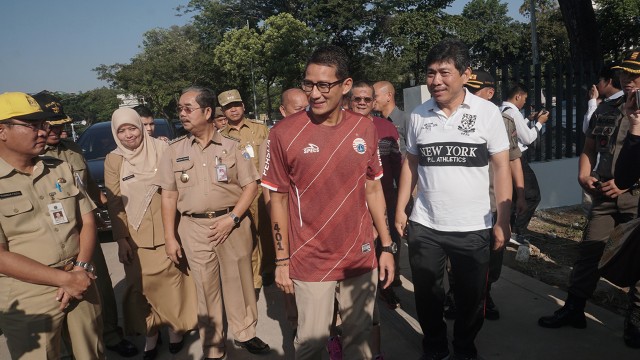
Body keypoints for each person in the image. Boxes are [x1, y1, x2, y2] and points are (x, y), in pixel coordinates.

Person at [262, 45, 395, 359]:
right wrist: (282, 261)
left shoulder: (365, 128)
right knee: (310, 342)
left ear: (345, 85)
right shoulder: (283, 134)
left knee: (360, 338)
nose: (315, 94)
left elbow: (373, 190)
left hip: (359, 257)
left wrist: (386, 246)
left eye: (324, 85)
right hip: (310, 259)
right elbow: (277, 200)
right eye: (309, 84)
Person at [395, 39, 511, 360]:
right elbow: (411, 164)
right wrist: (401, 208)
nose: (436, 81)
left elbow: (502, 167)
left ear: (465, 74)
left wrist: (503, 218)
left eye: (444, 73)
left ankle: (463, 347)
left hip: (473, 227)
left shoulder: (488, 113)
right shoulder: (418, 115)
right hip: (425, 226)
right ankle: (434, 347)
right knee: (428, 296)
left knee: (471, 298)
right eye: (430, 73)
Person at [155, 86, 269, 359]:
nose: (182, 114)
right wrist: (170, 237)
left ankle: (245, 333)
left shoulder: (233, 147)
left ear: (207, 112)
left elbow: (251, 186)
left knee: (239, 281)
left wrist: (232, 218)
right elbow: (168, 195)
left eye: (188, 108)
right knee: (206, 287)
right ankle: (213, 343)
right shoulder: (174, 151)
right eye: (180, 109)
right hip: (194, 228)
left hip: (232, 224)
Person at [539, 50, 640, 349]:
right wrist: (584, 174)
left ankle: (635, 320)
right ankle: (574, 308)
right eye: (624, 74)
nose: (627, 80)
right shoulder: (607, 109)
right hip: (604, 195)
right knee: (590, 252)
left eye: (634, 76)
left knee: (638, 259)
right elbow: (589, 146)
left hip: (636, 196)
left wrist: (625, 183)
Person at [34, 91, 139, 358]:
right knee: (58, 296)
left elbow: (89, 186)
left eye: (60, 124)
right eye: (50, 124)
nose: (56, 130)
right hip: (51, 236)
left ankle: (110, 334)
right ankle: (68, 348)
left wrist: (108, 202)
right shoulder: (31, 156)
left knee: (99, 286)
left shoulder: (73, 149)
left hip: (85, 228)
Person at [0, 92, 103, 359]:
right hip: (28, 293)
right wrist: (64, 280)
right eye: (32, 125)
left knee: (92, 353)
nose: (43, 132)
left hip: (81, 278)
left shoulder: (60, 169)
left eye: (43, 125)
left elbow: (87, 220)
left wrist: (79, 270)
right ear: (2, 131)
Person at [105, 108, 198, 359]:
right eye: (121, 130)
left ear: (141, 127)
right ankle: (152, 334)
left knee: (173, 285)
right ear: (115, 133)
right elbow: (114, 203)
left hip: (169, 228)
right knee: (141, 289)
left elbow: (180, 185)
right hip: (135, 237)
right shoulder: (114, 159)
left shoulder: (162, 149)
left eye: (132, 128)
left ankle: (176, 330)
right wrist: (121, 239)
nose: (128, 135)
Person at [442, 70, 526, 321]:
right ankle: (455, 295)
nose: (467, 94)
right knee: (456, 258)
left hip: (492, 203)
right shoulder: (452, 117)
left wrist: (520, 194)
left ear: (489, 93)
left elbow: (513, 161)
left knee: (493, 255)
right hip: (461, 202)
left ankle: (484, 294)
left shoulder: (502, 121)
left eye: (475, 89)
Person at [350, 81, 403, 310]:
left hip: (385, 198)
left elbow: (398, 167)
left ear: (374, 102)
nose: (362, 103)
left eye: (366, 99)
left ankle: (386, 286)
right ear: (349, 101)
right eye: (357, 99)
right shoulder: (340, 128)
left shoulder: (387, 128)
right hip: (353, 203)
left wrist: (403, 202)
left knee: (387, 242)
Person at [219, 89, 273, 296]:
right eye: (228, 107)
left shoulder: (261, 130)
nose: (233, 110)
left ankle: (268, 268)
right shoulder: (221, 137)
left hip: (261, 189)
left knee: (265, 233)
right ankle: (254, 278)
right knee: (246, 237)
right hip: (238, 193)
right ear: (223, 111)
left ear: (243, 106)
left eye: (236, 105)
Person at [501, 83, 549, 240]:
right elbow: (527, 138)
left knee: (513, 196)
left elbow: (515, 132)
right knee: (532, 195)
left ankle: (511, 230)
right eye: (524, 99)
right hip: (517, 159)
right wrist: (540, 123)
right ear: (517, 96)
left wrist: (528, 120)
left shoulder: (500, 110)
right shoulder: (513, 113)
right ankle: (518, 231)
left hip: (504, 159)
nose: (524, 103)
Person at [582, 63, 624, 134]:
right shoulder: (608, 101)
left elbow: (588, 130)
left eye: (599, 80)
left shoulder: (621, 102)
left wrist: (592, 100)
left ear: (608, 82)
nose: (597, 85)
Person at [373, 80, 411, 153]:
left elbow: (414, 150)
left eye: (375, 96)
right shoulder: (376, 122)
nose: (372, 100)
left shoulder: (406, 119)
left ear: (389, 96)